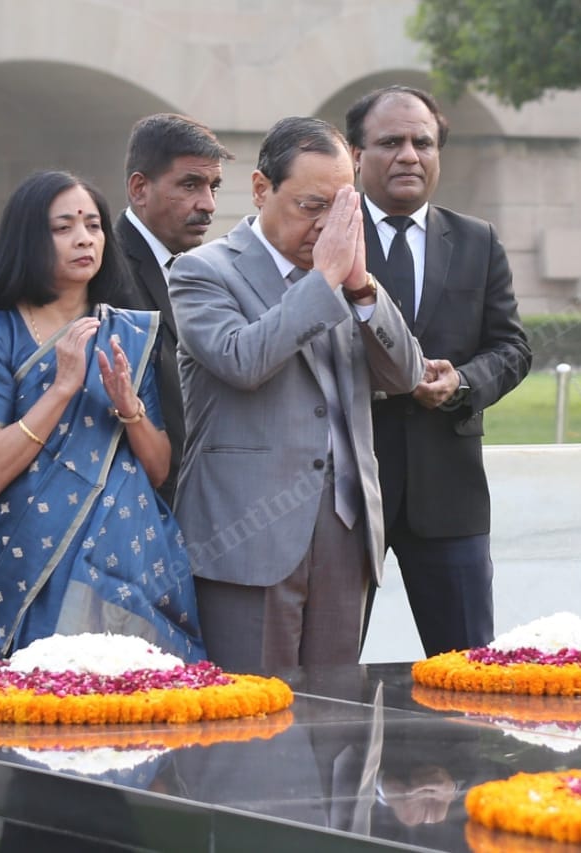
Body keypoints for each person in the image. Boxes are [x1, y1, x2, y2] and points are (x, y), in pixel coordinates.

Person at [169, 116, 425, 673]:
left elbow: (406, 375)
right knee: (254, 728)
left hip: (347, 530)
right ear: (262, 189)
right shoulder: (202, 272)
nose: (324, 226)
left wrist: (360, 288)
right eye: (311, 206)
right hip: (249, 531)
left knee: (337, 722)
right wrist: (325, 281)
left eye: (339, 210)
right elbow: (242, 360)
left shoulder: (343, 275)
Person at [0, 169, 205, 663]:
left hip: (132, 564)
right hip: (37, 562)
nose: (84, 239)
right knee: (48, 706)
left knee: (146, 711)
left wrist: (129, 408)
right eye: (63, 227)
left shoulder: (126, 334)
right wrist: (63, 387)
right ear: (28, 238)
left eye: (92, 225)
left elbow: (157, 470)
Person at [345, 85, 532, 657]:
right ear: (355, 155)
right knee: (327, 675)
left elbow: (512, 347)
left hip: (449, 493)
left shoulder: (477, 240)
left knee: (470, 669)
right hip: (348, 492)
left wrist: (462, 383)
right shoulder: (325, 237)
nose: (409, 155)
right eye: (390, 142)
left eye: (422, 142)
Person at [115, 113, 233, 504]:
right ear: (139, 189)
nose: (208, 204)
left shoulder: (205, 269)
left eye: (214, 186)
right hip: (136, 507)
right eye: (190, 185)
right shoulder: (106, 272)